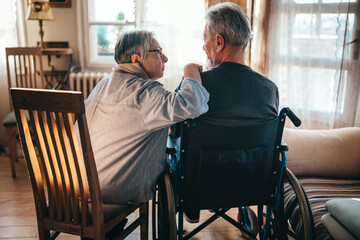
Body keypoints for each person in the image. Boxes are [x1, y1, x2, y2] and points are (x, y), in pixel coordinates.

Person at [84, 30, 209, 205]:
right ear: (136, 59)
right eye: (158, 52)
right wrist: (190, 70)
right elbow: (192, 103)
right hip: (108, 191)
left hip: (77, 183)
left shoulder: (105, 82)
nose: (165, 58)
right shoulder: (144, 92)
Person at [182, 2, 279, 223]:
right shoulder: (270, 88)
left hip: (201, 184)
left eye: (205, 39)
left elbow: (176, 133)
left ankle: (192, 207)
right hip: (254, 184)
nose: (204, 47)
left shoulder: (197, 85)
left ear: (218, 41)